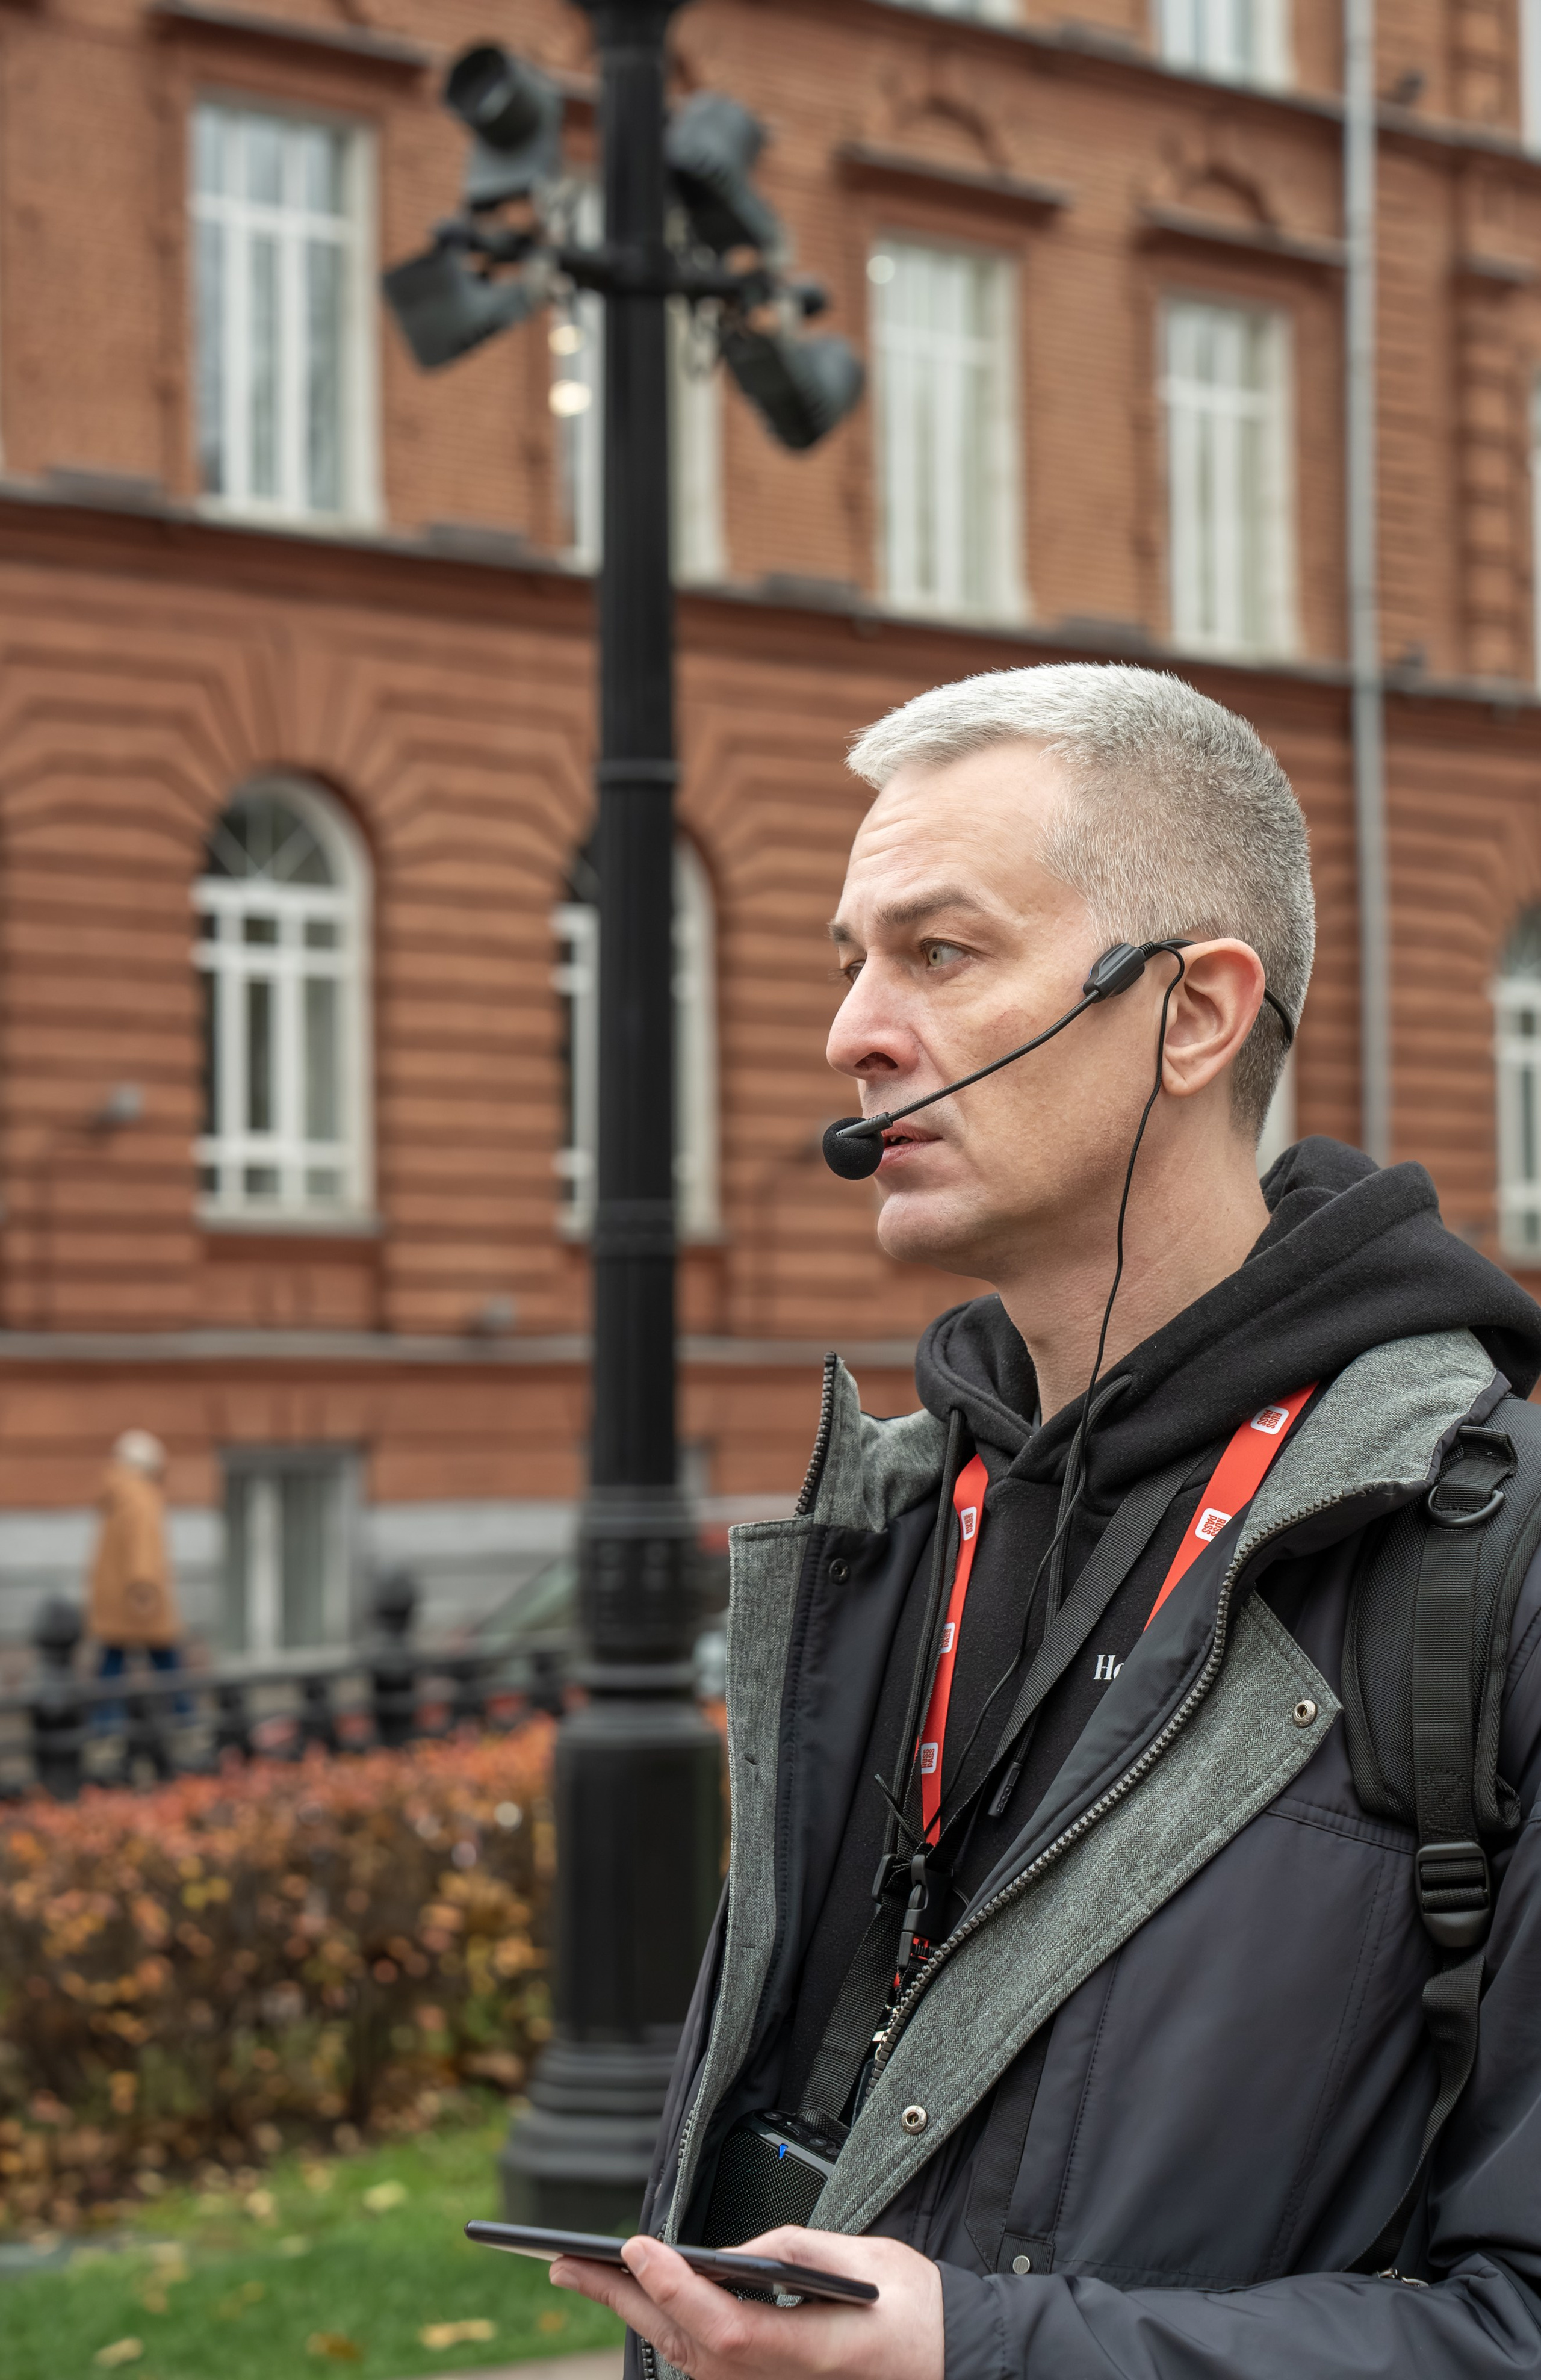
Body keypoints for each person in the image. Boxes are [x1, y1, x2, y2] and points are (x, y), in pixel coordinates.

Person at [553, 663, 1541, 2380]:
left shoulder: (1484, 1561)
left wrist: (980, 2351)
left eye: (938, 953)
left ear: (1192, 1014)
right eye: (850, 961)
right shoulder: (886, 1523)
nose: (854, 1031)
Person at [88, 1429, 183, 1723]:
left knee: (113, 1662)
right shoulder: (142, 1496)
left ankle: (105, 1726)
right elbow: (143, 1546)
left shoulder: (117, 1492)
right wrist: (145, 1586)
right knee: (166, 1661)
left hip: (113, 1595)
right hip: (139, 1595)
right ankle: (186, 1721)